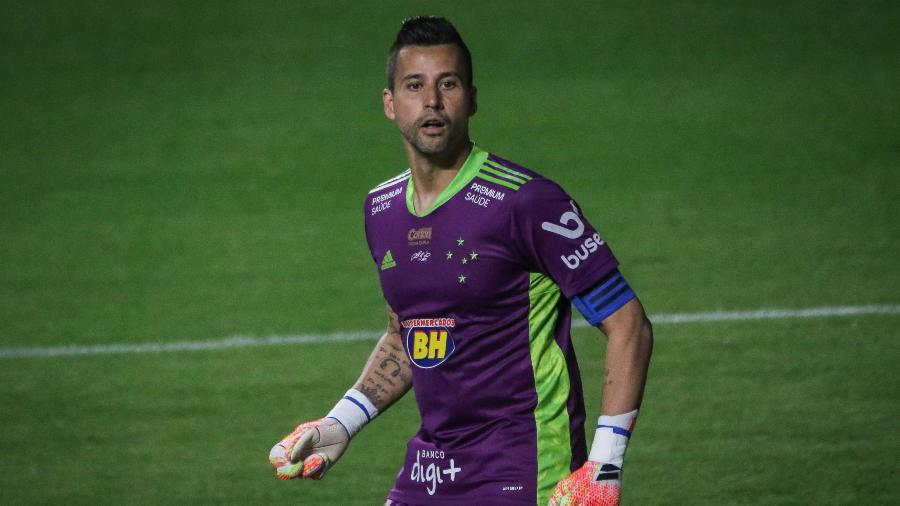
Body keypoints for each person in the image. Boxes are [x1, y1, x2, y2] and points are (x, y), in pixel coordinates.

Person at [268, 16, 653, 506]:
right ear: (390, 104)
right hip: (430, 469)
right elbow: (405, 334)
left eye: (447, 84)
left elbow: (629, 324)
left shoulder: (527, 203)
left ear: (471, 98)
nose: (431, 101)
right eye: (414, 85)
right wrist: (341, 422)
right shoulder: (380, 210)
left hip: (523, 469)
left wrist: (605, 463)